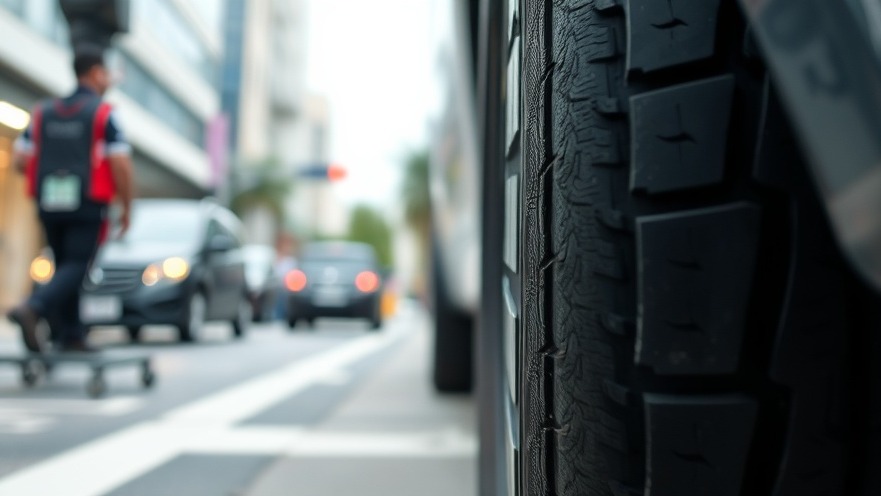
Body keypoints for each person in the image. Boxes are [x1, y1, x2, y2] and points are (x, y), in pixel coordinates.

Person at [6, 45, 135, 353]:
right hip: (88, 201)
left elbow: (21, 160)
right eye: (105, 74)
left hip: (49, 202)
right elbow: (121, 165)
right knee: (78, 264)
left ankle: (71, 334)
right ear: (93, 73)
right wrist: (127, 206)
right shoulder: (103, 115)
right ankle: (33, 307)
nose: (108, 81)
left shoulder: (43, 113)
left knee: (64, 264)